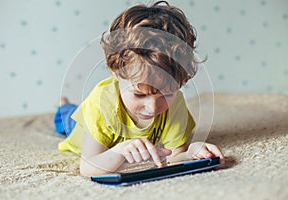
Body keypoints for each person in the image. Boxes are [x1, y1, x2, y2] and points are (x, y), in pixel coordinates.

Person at [54, 1, 225, 177]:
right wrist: (119, 151)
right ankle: (64, 105)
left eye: (166, 94)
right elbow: (88, 167)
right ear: (115, 71)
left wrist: (191, 152)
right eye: (139, 94)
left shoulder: (175, 105)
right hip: (83, 125)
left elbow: (174, 158)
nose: (153, 108)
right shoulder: (100, 106)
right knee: (67, 118)